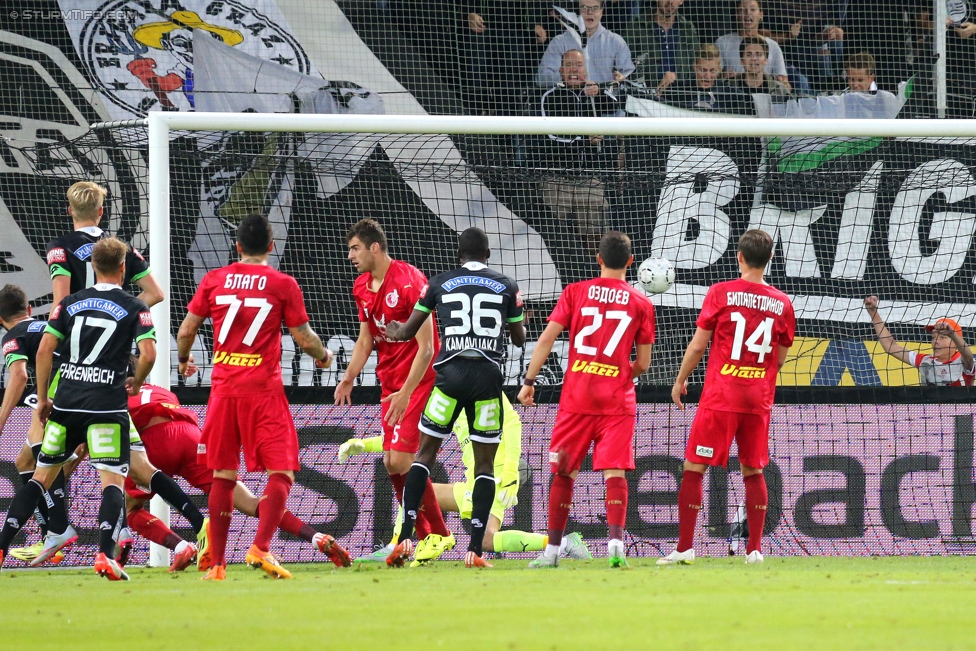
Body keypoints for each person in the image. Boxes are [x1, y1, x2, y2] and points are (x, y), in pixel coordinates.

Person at [176, 213, 334, 581]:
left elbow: (185, 330)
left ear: (237, 247)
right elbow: (304, 338)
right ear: (271, 246)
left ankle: (216, 565)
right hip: (262, 392)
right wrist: (324, 357)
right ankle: (261, 548)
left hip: (224, 391)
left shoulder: (214, 279)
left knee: (222, 475)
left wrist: (184, 361)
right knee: (283, 470)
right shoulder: (282, 283)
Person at [0, 238, 158, 580]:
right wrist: (138, 381)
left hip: (66, 403)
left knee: (40, 477)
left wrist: (43, 398)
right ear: (122, 268)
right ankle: (104, 554)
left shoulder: (69, 303)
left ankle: (1, 545)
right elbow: (148, 355)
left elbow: (44, 351)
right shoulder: (135, 307)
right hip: (106, 407)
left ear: (89, 268)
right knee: (112, 481)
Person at [384, 227, 525, 568]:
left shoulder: (437, 283)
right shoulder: (506, 285)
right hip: (487, 381)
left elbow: (407, 331)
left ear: (458, 255)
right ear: (488, 254)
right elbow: (520, 338)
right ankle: (475, 550)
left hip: (448, 379)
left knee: (424, 455)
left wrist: (394, 331)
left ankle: (404, 537)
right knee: (485, 465)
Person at [659, 229, 796, 566]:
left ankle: (685, 548)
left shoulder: (721, 292)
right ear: (769, 260)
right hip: (758, 399)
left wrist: (680, 380)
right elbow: (778, 360)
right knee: (753, 470)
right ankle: (755, 551)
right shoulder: (782, 302)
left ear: (739, 256)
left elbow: (698, 345)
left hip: (721, 395)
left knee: (695, 467)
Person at [519, 230, 655, 569]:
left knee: (563, 473)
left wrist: (529, 381)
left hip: (577, 398)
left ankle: (551, 553)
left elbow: (546, 339)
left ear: (598, 259)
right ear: (630, 262)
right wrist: (620, 374)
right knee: (615, 473)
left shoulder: (575, 292)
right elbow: (643, 363)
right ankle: (615, 549)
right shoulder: (642, 303)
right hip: (617, 403)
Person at [124, 380, 351, 571]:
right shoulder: (158, 389)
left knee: (131, 509)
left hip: (152, 441)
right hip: (191, 436)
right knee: (250, 502)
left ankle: (182, 546)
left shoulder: (114, 392)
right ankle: (316, 537)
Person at [339, 395, 593, 560]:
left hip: (495, 477)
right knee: (416, 493)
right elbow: (409, 440)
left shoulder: (481, 386)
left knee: (483, 537)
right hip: (474, 482)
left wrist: (510, 473)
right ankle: (396, 546)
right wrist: (365, 444)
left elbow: (513, 421)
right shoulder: (447, 402)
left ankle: (560, 543)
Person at [334, 218, 454, 565]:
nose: (350, 256)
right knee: (390, 462)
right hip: (390, 383)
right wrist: (349, 376)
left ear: (375, 247)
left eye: (355, 248)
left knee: (402, 459)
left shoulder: (409, 281)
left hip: (418, 380)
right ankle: (423, 537)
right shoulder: (361, 287)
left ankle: (438, 535)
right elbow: (366, 338)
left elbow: (428, 347)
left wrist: (406, 393)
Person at [0, 284, 73, 565]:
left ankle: (58, 530)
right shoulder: (48, 325)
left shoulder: (13, 337)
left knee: (43, 450)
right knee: (24, 461)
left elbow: (19, 376)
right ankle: (50, 537)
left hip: (61, 388)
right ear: (29, 309)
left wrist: (2, 418)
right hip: (87, 383)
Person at [539, 49, 613, 263]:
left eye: (578, 66)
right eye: (569, 65)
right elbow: (551, 139)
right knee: (554, 236)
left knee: (597, 238)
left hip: (589, 179)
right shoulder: (550, 96)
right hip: (556, 178)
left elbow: (617, 104)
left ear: (585, 70)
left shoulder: (593, 95)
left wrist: (599, 92)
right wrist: (585, 140)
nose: (574, 70)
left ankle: (595, 276)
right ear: (561, 71)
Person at [864, 297, 974, 386]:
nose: (936, 341)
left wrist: (952, 334)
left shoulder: (963, 362)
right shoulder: (924, 361)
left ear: (955, 342)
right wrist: (873, 313)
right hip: (930, 412)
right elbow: (890, 346)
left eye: (942, 337)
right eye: (933, 337)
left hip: (960, 412)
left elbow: (968, 357)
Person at [537, 1, 635, 88]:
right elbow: (541, 79)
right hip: (568, 104)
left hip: (606, 105)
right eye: (584, 8)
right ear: (576, 11)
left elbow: (630, 77)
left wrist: (623, 79)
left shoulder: (615, 41)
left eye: (595, 8)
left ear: (601, 12)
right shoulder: (559, 42)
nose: (589, 12)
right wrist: (566, 77)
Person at [622, 0, 701, 93]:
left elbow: (696, 67)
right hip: (644, 99)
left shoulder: (688, 29)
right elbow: (624, 67)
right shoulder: (637, 27)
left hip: (681, 98)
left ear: (681, 1)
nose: (670, 2)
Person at [716, 0, 791, 91]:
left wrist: (784, 84)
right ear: (736, 15)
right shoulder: (722, 42)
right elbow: (713, 73)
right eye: (742, 10)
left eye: (752, 9)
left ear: (761, 15)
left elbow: (783, 80)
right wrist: (724, 76)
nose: (747, 13)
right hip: (734, 95)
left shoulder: (773, 46)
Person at [662, 44, 734, 110]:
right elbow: (655, 107)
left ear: (719, 69)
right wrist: (662, 86)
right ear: (695, 67)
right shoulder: (679, 89)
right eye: (703, 70)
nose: (707, 76)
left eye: (712, 71)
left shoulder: (730, 94)